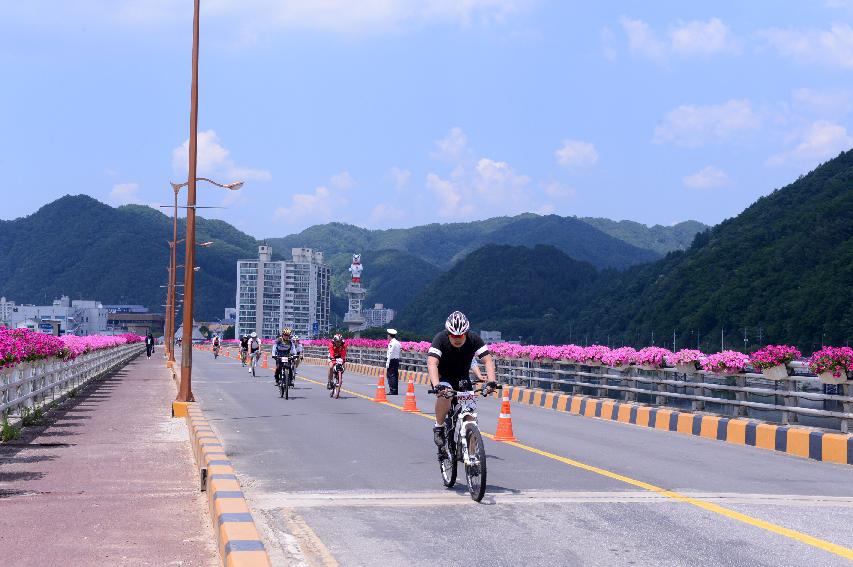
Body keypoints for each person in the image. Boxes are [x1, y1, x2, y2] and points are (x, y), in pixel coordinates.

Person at [427, 311, 497, 454]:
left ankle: (470, 457)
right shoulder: (440, 339)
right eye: (453, 336)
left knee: (470, 416)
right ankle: (439, 427)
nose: (457, 338)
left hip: (463, 379)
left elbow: (488, 360)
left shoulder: (474, 339)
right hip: (443, 378)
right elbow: (432, 363)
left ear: (466, 333)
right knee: (445, 396)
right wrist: (436, 385)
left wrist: (491, 381)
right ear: (448, 334)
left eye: (460, 335)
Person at [385, 328, 401, 395]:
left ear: (389, 335)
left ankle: (392, 390)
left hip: (392, 360)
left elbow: (390, 353)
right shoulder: (398, 343)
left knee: (391, 376)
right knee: (395, 375)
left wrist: (388, 362)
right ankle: (395, 390)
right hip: (396, 360)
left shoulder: (392, 343)